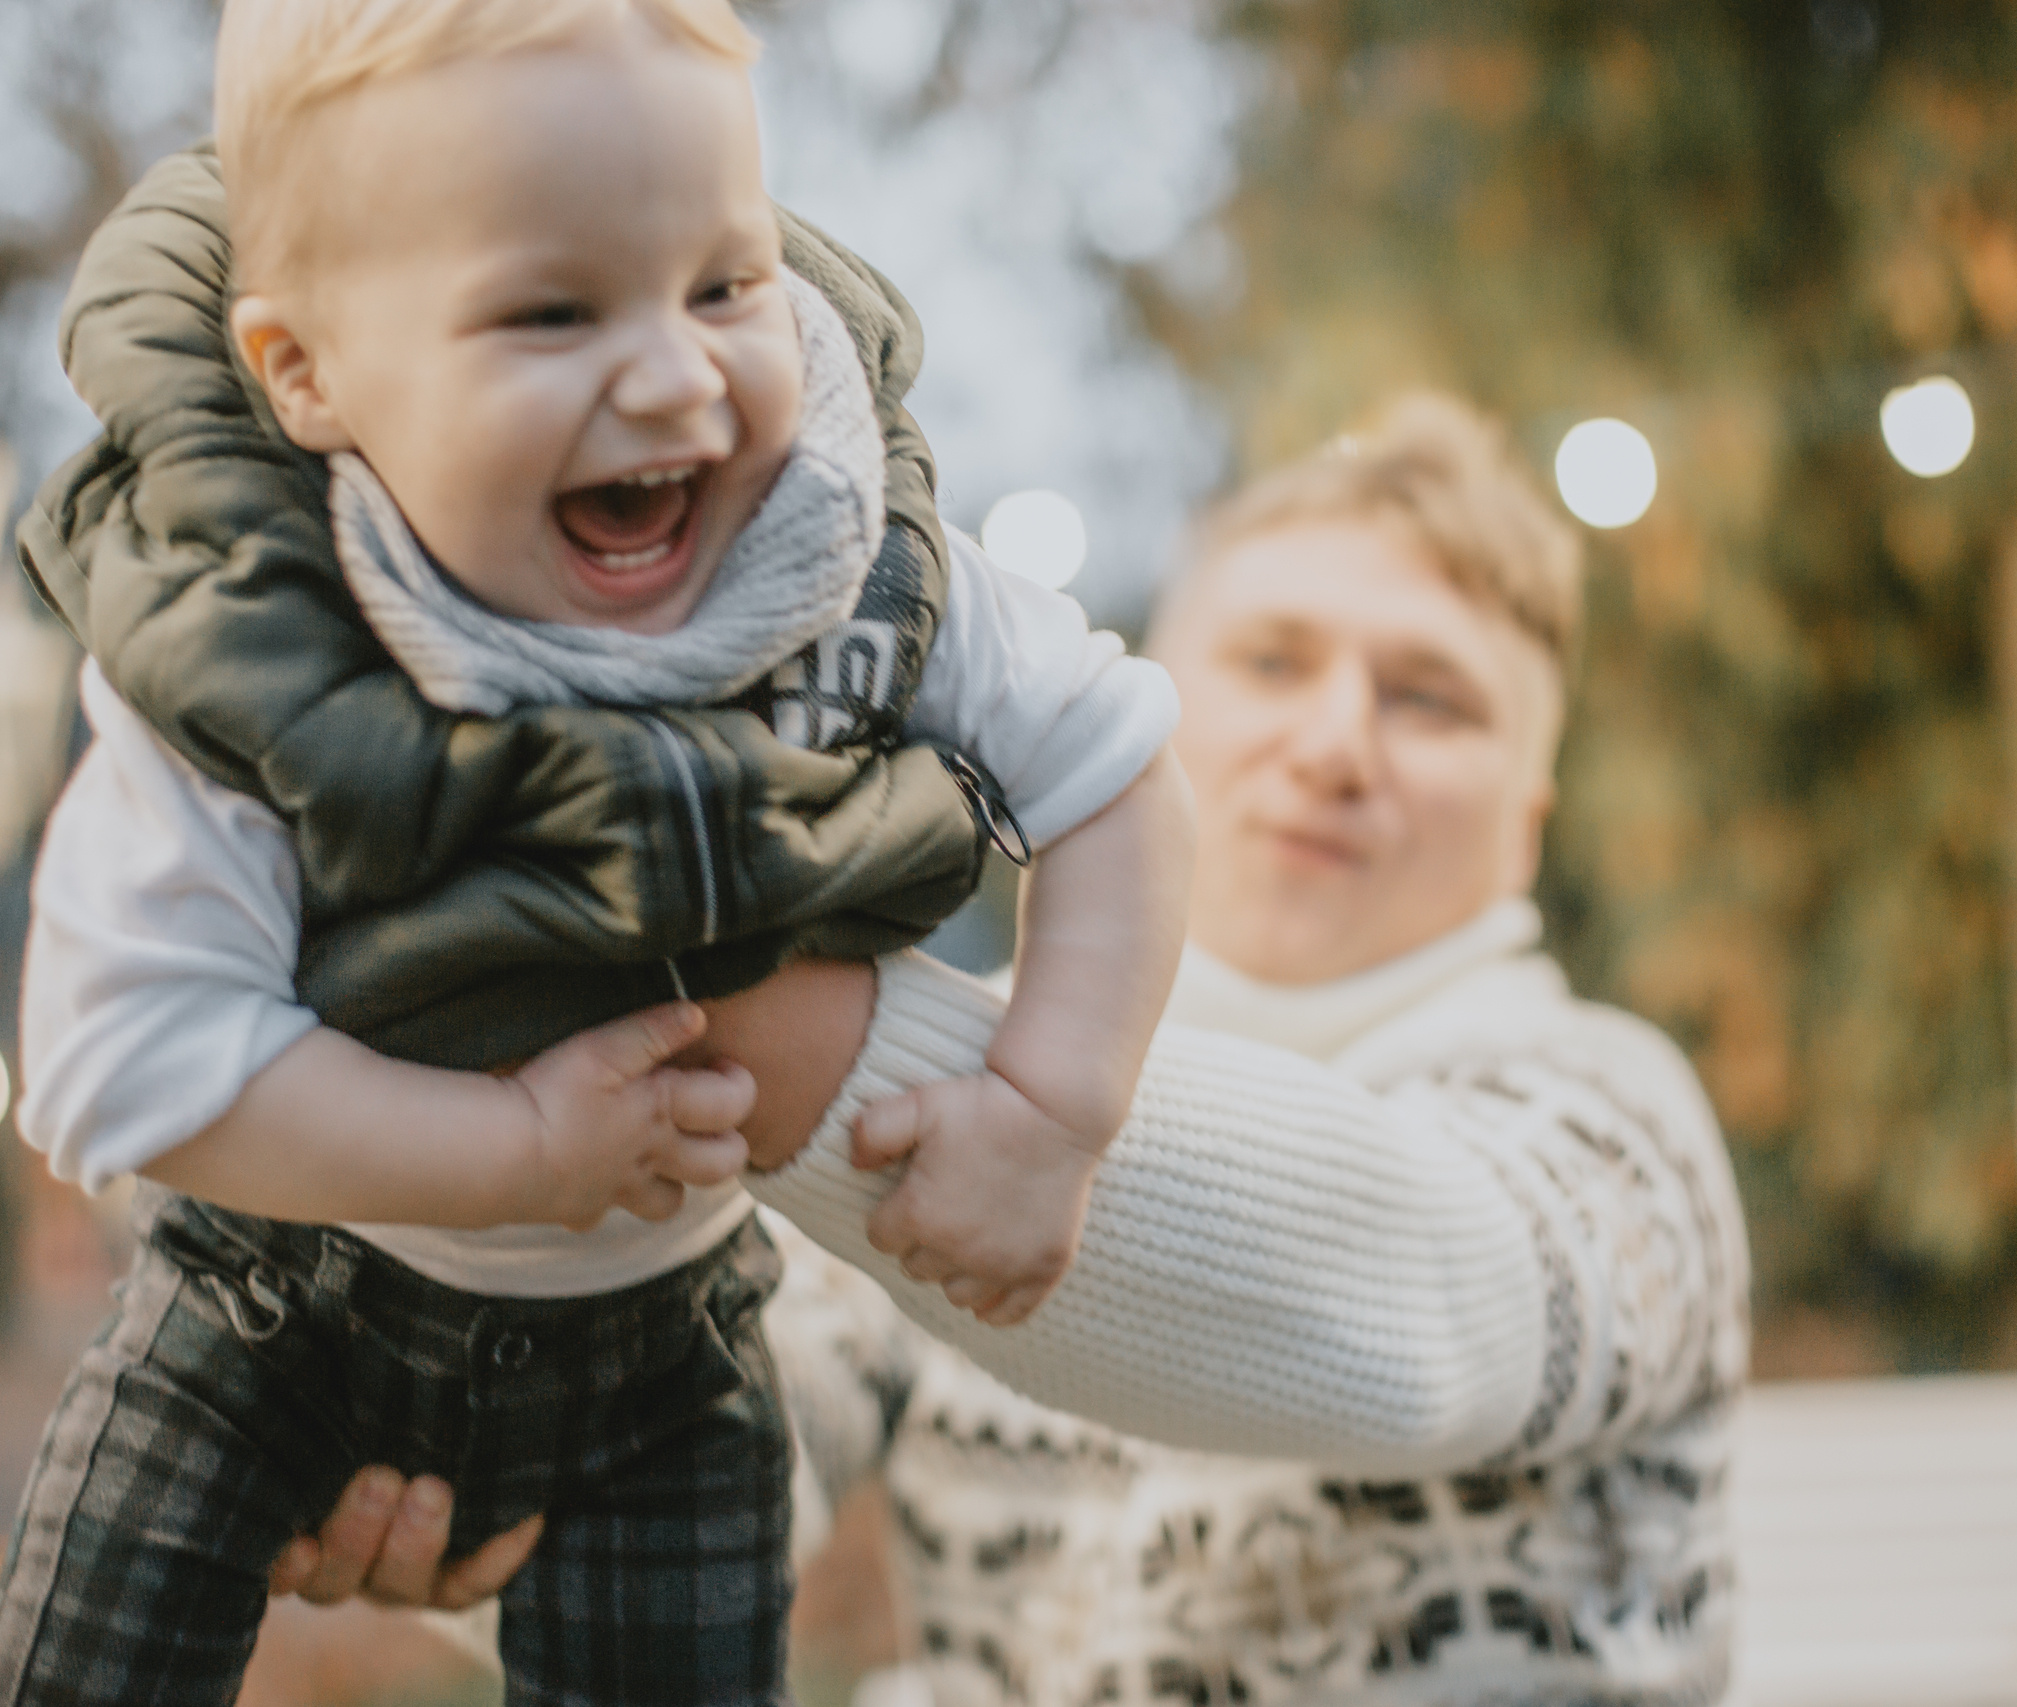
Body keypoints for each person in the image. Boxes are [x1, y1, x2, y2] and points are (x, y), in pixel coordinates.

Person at [0, 0, 1191, 1701]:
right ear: (305, 376)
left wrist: (1055, 1105)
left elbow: (1115, 765)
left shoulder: (845, 552)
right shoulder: (251, 628)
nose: (678, 374)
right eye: (549, 312)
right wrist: (513, 1147)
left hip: (661, 1361)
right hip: (278, 1310)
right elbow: (121, 1062)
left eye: (725, 283)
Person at [269, 394, 1755, 1706]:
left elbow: (1414, 1306)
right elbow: (696, 1466)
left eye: (1430, 698)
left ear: (1530, 815)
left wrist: (697, 978)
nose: (1337, 743)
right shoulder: (957, 1089)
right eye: (1274, 660)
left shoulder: (1619, 1117)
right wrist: (455, 1440)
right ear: (1146, 721)